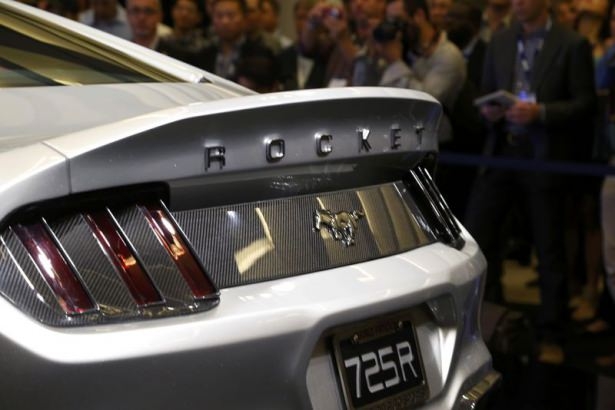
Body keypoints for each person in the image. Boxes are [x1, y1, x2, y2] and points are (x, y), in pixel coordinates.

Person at [466, 0, 596, 362]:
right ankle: (488, 323)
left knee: (548, 246)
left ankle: (552, 333)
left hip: (543, 155)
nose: (518, 3)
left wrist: (542, 112)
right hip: (500, 151)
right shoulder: (501, 40)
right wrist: (489, 112)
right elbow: (485, 91)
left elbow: (586, 103)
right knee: (478, 237)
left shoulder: (571, 43)